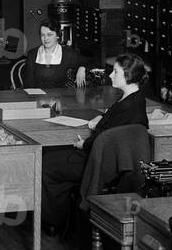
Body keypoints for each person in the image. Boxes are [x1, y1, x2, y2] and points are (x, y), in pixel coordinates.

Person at [40, 53, 151, 233]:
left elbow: (106, 139)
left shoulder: (126, 105)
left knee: (45, 164)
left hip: (99, 163)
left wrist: (84, 144)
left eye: (115, 72)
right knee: (56, 159)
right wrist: (102, 116)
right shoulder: (135, 99)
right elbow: (114, 124)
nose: (110, 75)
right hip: (110, 162)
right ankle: (68, 218)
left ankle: (53, 222)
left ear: (128, 76)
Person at [23, 18, 87, 89]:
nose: (45, 38)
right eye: (43, 35)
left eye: (49, 34)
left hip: (61, 95)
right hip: (37, 95)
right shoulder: (33, 54)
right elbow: (28, 84)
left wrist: (82, 68)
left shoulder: (67, 54)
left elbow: (91, 62)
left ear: (58, 35)